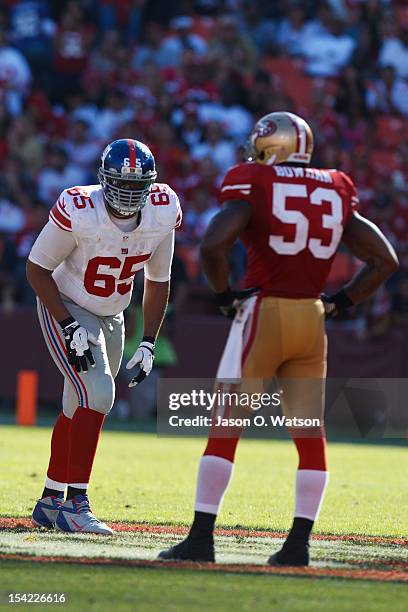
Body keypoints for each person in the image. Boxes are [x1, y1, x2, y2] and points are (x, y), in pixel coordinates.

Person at [158, 112, 398, 566]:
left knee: (226, 426)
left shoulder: (255, 181)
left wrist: (225, 294)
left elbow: (213, 244)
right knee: (310, 435)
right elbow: (385, 260)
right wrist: (341, 302)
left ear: (273, 147)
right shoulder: (336, 185)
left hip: (264, 312)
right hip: (312, 318)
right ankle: (297, 546)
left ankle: (201, 538)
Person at [27, 138, 181, 534]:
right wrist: (68, 323)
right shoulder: (81, 208)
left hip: (113, 313)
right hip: (65, 304)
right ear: (102, 179)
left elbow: (158, 279)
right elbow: (37, 269)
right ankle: (77, 504)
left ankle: (50, 499)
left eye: (137, 186)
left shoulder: (163, 210)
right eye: (121, 184)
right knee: (98, 394)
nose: (129, 194)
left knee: (76, 404)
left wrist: (148, 341)